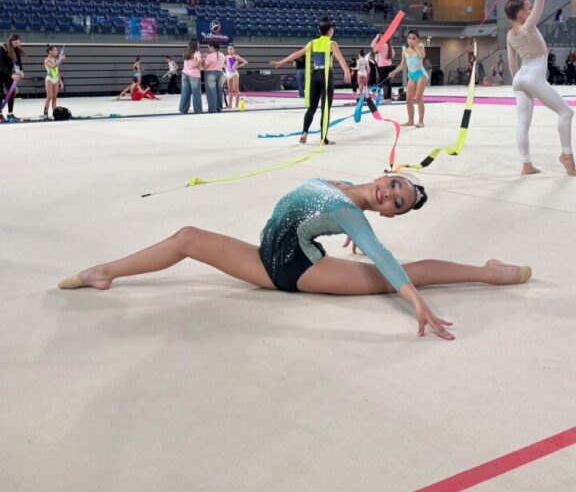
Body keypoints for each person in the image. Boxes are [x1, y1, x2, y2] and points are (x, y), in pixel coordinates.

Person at [58, 174, 533, 341]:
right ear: (386, 174)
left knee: (402, 275)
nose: (389, 195)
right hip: (266, 259)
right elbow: (320, 213)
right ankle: (104, 271)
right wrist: (351, 232)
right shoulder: (338, 188)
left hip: (297, 270)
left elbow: (382, 253)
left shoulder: (351, 213)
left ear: (390, 214)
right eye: (395, 186)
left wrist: (416, 304)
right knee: (187, 237)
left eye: (397, 203)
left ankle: (491, 274)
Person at [505, 0, 575, 176]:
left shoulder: (510, 35)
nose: (531, 11)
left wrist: (518, 83)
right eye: (529, 8)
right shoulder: (528, 26)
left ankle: (526, 164)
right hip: (533, 76)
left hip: (520, 78)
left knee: (523, 123)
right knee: (566, 113)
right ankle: (566, 156)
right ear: (522, 14)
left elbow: (512, 64)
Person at [270, 17, 351, 145]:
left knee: (311, 107)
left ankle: (304, 133)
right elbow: (339, 58)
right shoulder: (332, 43)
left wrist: (281, 62)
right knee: (325, 108)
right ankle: (323, 138)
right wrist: (346, 70)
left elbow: (297, 54)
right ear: (330, 30)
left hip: (315, 75)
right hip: (326, 75)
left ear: (319, 30)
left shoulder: (313, 42)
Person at [388, 29, 428, 127]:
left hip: (421, 74)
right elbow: (402, 65)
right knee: (408, 99)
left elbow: (422, 56)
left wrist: (415, 47)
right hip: (411, 75)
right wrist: (394, 72)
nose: (411, 40)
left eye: (414, 38)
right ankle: (410, 121)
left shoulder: (420, 47)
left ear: (417, 39)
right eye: (409, 38)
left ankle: (421, 121)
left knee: (418, 97)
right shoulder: (404, 51)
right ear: (407, 39)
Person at [0, 33, 24, 122]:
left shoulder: (16, 48)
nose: (17, 45)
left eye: (18, 43)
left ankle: (10, 114)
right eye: (15, 43)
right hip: (1, 72)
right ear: (10, 41)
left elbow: (18, 61)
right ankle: (0, 115)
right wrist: (11, 75)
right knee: (0, 94)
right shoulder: (2, 48)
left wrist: (21, 70)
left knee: (11, 92)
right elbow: (1, 65)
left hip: (8, 74)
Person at [179, 40, 203, 114]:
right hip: (194, 75)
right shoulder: (197, 53)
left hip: (185, 73)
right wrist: (196, 65)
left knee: (185, 92)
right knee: (196, 93)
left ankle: (183, 109)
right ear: (195, 45)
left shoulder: (185, 52)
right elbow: (200, 60)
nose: (199, 45)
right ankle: (198, 110)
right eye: (198, 44)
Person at [44, 44, 66, 119]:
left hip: (56, 79)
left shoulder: (55, 60)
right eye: (55, 50)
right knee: (49, 97)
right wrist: (60, 60)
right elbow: (53, 66)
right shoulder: (46, 60)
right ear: (50, 51)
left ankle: (55, 113)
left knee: (54, 98)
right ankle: (45, 113)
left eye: (56, 50)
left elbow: (57, 70)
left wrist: (60, 81)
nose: (56, 52)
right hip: (49, 79)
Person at [371, 32, 395, 100]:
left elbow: (372, 45)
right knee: (388, 82)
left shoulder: (382, 45)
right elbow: (393, 55)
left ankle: (386, 98)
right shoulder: (389, 45)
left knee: (384, 83)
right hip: (389, 66)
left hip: (382, 66)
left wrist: (377, 37)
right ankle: (388, 97)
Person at [203, 42, 226, 113]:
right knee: (219, 92)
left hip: (211, 73)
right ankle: (219, 108)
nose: (208, 49)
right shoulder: (222, 55)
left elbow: (204, 66)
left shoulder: (209, 56)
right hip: (220, 74)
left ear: (212, 47)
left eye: (209, 47)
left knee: (211, 92)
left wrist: (204, 59)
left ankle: (213, 109)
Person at [225, 44, 248, 109]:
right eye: (229, 49)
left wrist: (237, 66)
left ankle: (236, 105)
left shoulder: (236, 56)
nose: (230, 50)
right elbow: (221, 63)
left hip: (234, 74)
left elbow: (245, 62)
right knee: (230, 90)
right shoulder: (225, 57)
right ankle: (230, 105)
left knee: (236, 89)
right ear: (227, 50)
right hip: (228, 73)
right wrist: (225, 67)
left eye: (231, 49)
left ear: (234, 50)